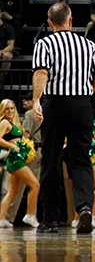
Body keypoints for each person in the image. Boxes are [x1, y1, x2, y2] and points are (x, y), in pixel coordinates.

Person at [31, 2, 95, 233]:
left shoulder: (44, 43)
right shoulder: (87, 44)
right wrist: (88, 92)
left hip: (55, 104)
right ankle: (84, 209)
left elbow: (41, 72)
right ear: (71, 20)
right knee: (81, 159)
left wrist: (35, 100)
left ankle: (50, 220)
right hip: (81, 105)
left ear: (50, 22)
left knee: (51, 160)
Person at [0, 98, 40, 228]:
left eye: (12, 108)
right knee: (35, 185)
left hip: (18, 158)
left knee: (12, 191)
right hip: (15, 159)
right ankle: (30, 215)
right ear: (2, 110)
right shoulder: (5, 122)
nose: (10, 111)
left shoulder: (12, 123)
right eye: (7, 109)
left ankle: (1, 219)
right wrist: (12, 147)